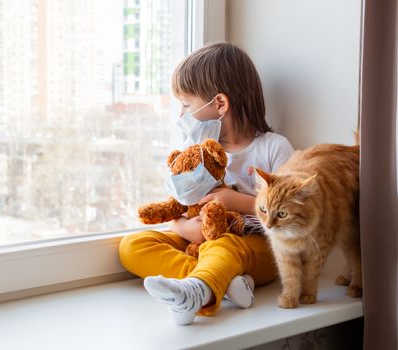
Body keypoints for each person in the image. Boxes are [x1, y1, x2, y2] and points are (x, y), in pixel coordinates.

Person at [119, 42, 294, 325]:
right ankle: (220, 283)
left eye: (186, 105)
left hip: (255, 249)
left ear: (220, 104)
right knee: (133, 245)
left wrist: (238, 203)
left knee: (223, 246)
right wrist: (183, 227)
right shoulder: (196, 149)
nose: (181, 116)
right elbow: (179, 207)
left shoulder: (274, 148)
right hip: (200, 241)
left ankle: (198, 291)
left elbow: (291, 220)